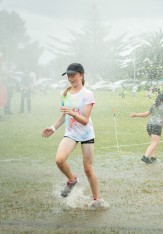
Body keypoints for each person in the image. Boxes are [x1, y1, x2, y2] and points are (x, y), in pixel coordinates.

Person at [41, 63, 103, 208]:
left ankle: (96, 199)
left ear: (81, 75)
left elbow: (85, 120)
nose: (70, 78)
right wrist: (53, 128)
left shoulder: (87, 94)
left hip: (86, 133)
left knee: (88, 168)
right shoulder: (65, 93)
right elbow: (64, 115)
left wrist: (72, 112)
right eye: (68, 75)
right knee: (59, 160)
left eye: (73, 75)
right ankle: (72, 180)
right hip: (71, 133)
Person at [130, 93, 163, 163]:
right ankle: (145, 157)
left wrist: (136, 114)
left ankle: (153, 157)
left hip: (149, 125)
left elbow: (145, 114)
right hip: (156, 126)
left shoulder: (153, 105)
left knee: (153, 142)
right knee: (154, 143)